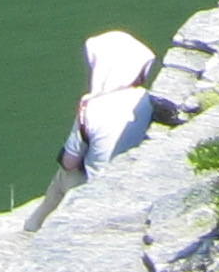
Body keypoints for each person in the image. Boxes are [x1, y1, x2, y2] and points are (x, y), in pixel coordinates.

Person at [28, 29, 157, 230]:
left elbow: (69, 162)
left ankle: (33, 228)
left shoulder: (91, 108)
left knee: (64, 175)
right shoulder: (152, 101)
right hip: (138, 186)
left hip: (98, 193)